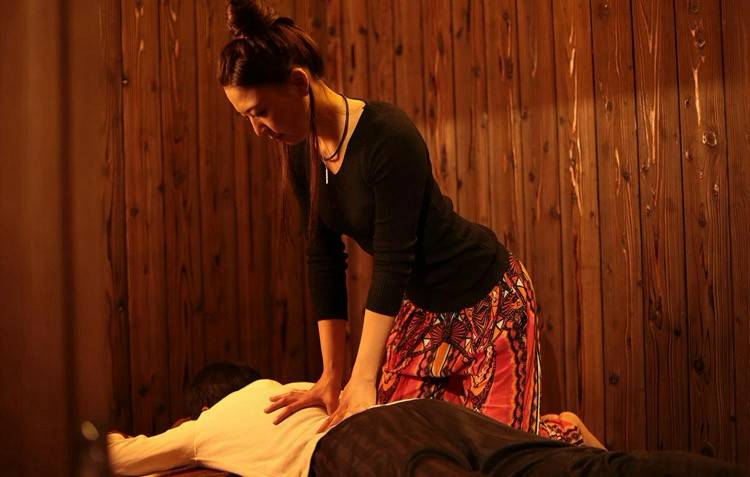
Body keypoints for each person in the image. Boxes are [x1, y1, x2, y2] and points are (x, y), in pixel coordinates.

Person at [219, 0, 541, 436]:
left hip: (488, 300)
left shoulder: (387, 135)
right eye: (246, 118)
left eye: (260, 111)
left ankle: (567, 433)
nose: (258, 130)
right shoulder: (300, 152)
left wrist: (362, 377)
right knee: (399, 443)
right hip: (421, 310)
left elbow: (393, 261)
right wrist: (332, 375)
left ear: (298, 83)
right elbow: (323, 259)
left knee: (501, 454)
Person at [107, 363, 748, 477]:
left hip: (361, 446)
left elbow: (120, 455)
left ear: (204, 405)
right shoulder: (292, 386)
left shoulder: (209, 425)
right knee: (590, 471)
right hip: (425, 415)